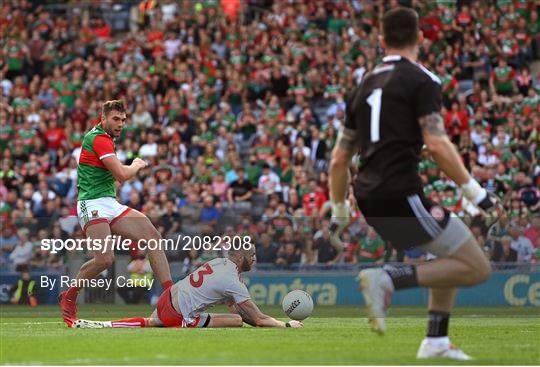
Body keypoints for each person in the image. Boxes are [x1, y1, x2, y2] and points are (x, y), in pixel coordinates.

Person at [328, 8, 503, 361]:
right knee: (476, 267)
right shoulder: (423, 80)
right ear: (420, 38)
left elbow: (339, 159)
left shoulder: (363, 84)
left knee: (448, 253)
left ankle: (436, 340)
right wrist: (476, 192)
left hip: (368, 195)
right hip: (400, 192)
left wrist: (339, 210)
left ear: (381, 42)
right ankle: (389, 277)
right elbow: (437, 143)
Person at [59, 100, 173, 327]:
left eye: (123, 120)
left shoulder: (104, 137)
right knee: (105, 259)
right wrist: (137, 164)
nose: (121, 124)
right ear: (103, 119)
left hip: (110, 203)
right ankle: (69, 295)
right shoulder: (99, 139)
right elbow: (122, 174)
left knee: (153, 238)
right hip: (91, 203)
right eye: (116, 119)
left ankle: (170, 298)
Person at [71, 246, 302, 329]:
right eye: (252, 255)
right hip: (178, 314)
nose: (255, 259)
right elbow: (258, 319)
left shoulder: (217, 263)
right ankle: (183, 323)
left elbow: (234, 307)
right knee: (238, 321)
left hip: (167, 298)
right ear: (240, 257)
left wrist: (242, 313)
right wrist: (286, 324)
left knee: (152, 322)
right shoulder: (234, 281)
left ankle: (104, 324)